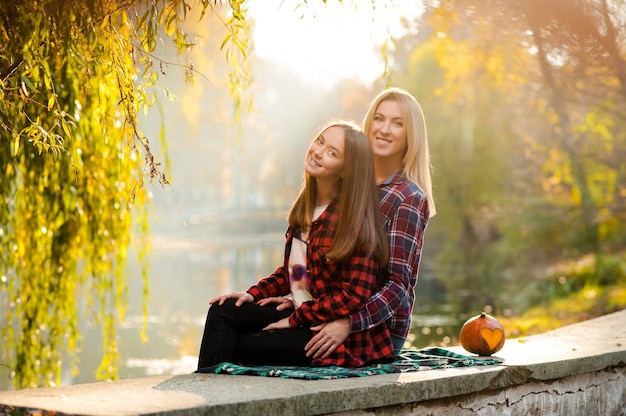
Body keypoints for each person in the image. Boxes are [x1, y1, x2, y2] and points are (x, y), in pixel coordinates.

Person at [196, 120, 394, 369]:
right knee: (223, 311)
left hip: (337, 334)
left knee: (245, 345)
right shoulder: (307, 211)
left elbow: (354, 296)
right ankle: (208, 393)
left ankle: (213, 398)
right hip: (305, 314)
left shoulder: (355, 221)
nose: (319, 152)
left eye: (332, 153)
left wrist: (295, 319)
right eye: (320, 142)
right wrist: (252, 294)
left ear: (346, 169)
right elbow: (292, 273)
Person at [268, 88, 435, 360]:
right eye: (379, 118)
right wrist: (297, 297)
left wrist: (348, 323)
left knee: (256, 344)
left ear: (410, 135)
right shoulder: (346, 183)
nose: (384, 129)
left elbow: (397, 287)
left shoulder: (407, 197)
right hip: (329, 309)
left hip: (376, 330)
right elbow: (320, 262)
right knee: (239, 320)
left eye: (398, 123)